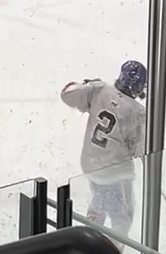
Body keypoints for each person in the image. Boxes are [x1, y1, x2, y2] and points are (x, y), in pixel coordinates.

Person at [61, 61, 147, 242]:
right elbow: (139, 149)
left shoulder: (100, 90)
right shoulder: (137, 111)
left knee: (101, 198)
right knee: (123, 217)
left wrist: (88, 86)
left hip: (91, 164)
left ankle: (88, 242)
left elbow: (67, 94)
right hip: (115, 171)